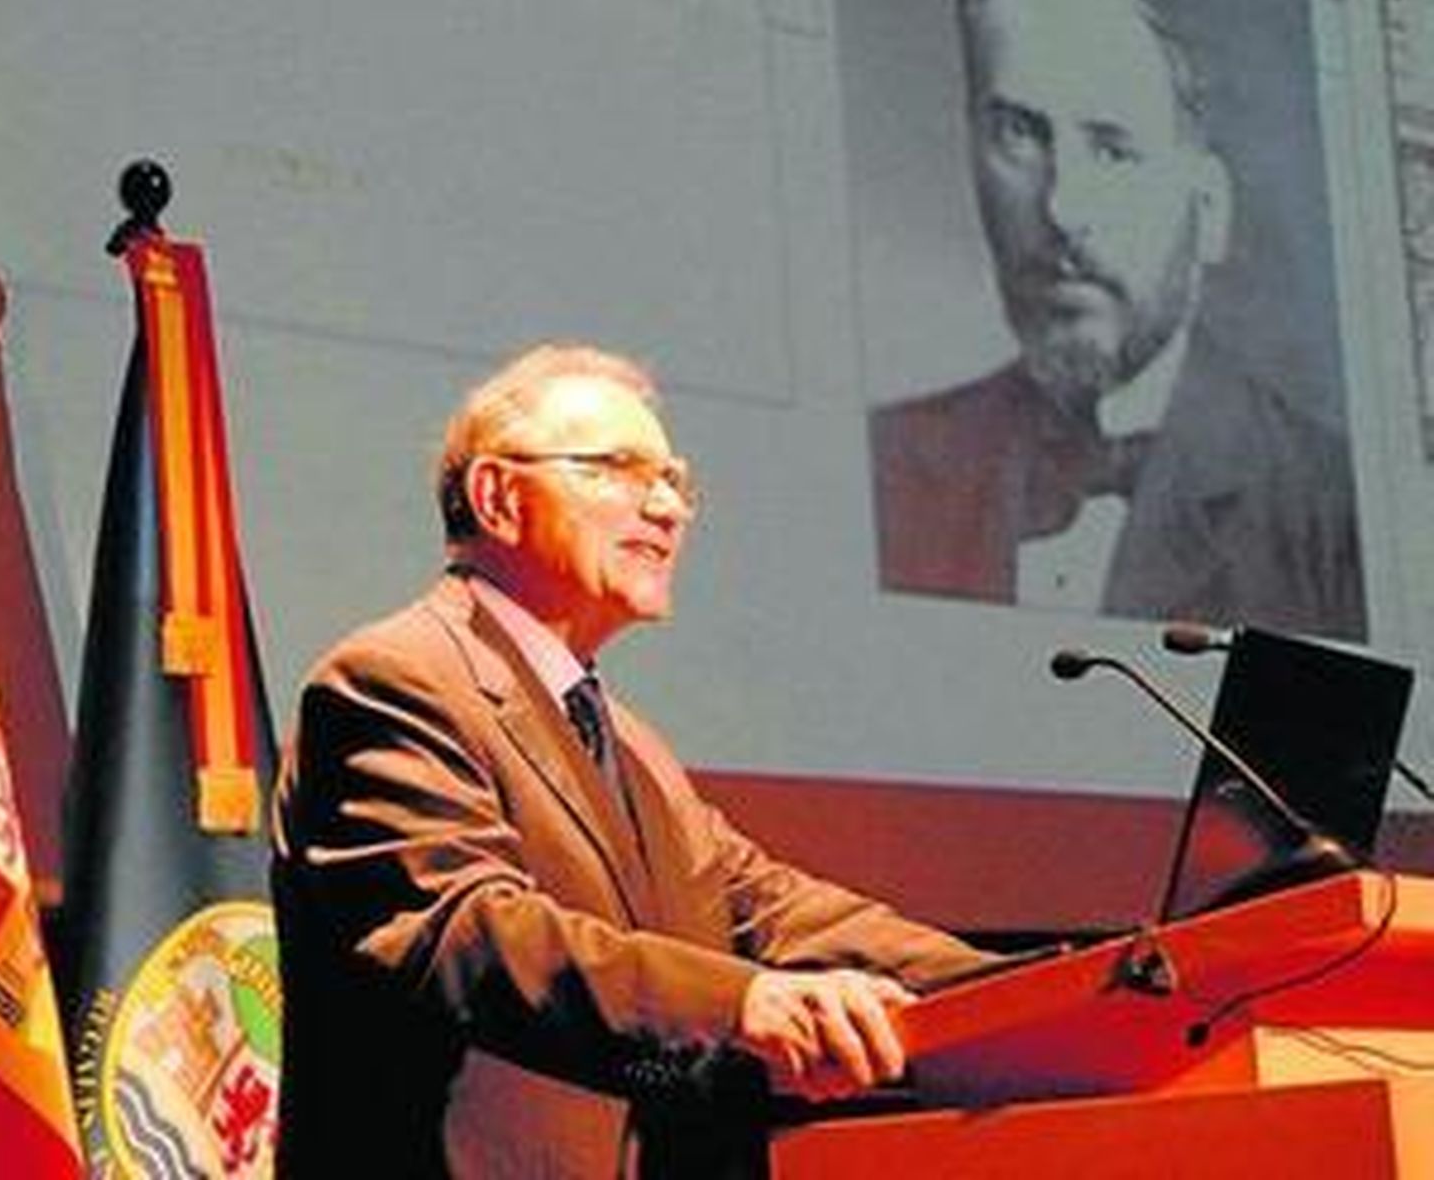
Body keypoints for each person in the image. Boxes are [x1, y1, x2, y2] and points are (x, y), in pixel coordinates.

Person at [272, 344, 994, 1177]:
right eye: (620, 468)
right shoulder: (392, 678)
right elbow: (467, 930)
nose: (667, 507)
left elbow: (775, 909)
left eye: (676, 482)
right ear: (500, 496)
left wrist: (1042, 988)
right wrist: (741, 1001)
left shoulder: (633, 742)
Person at [868, 0, 1365, 640]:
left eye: (1113, 148)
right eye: (1019, 133)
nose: (1065, 206)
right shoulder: (884, 463)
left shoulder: (1333, 507)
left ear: (1210, 208)